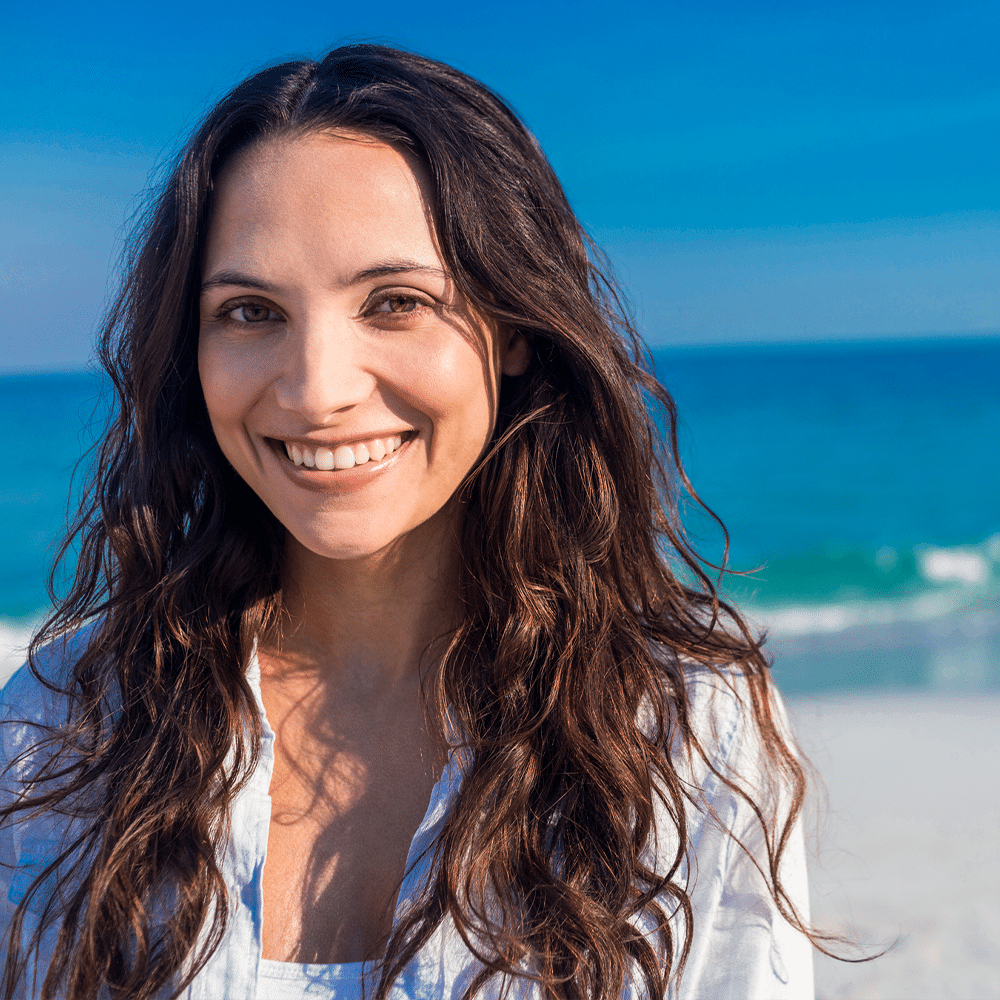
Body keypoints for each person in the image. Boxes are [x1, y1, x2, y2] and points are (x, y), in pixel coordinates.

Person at [0, 44, 818, 999]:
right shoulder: (59, 725)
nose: (316, 390)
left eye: (395, 303)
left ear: (514, 324)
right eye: (250, 311)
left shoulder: (685, 728)